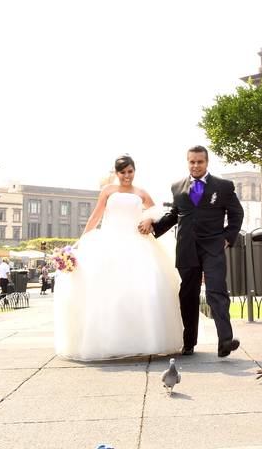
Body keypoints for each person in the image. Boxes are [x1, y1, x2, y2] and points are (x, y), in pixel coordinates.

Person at [55, 155, 184, 361]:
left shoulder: (141, 192)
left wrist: (149, 219)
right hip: (109, 240)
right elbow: (95, 216)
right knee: (106, 290)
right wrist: (82, 240)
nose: (127, 176)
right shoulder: (108, 191)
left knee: (141, 288)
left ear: (135, 171)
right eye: (122, 172)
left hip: (136, 242)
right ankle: (108, 341)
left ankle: (144, 339)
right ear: (116, 173)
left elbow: (156, 212)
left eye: (130, 171)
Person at [142, 146, 244, 358]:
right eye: (192, 162)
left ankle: (225, 340)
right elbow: (175, 214)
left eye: (200, 162)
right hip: (187, 248)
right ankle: (189, 343)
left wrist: (227, 236)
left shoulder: (223, 186)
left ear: (207, 162)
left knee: (216, 291)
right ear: (187, 162)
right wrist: (154, 225)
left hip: (213, 247)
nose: (196, 165)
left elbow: (236, 213)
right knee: (188, 295)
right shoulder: (177, 186)